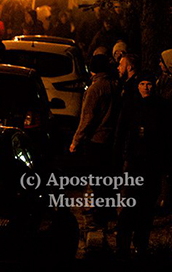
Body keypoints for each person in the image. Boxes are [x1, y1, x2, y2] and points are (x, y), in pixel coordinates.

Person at [114, 72, 167, 258]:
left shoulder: (161, 107)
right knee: (130, 203)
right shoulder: (131, 105)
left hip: (152, 162)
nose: (146, 87)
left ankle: (140, 242)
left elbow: (166, 136)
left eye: (149, 84)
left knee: (147, 205)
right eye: (143, 83)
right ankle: (123, 243)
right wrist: (120, 156)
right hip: (134, 161)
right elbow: (121, 132)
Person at [70, 54, 119, 223]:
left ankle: (100, 213)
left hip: (96, 139)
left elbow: (87, 118)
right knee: (107, 178)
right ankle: (108, 210)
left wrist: (76, 140)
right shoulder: (114, 85)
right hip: (111, 137)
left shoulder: (95, 89)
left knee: (97, 179)